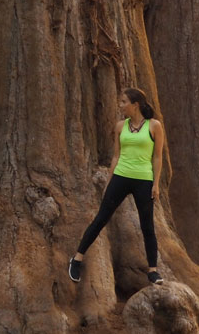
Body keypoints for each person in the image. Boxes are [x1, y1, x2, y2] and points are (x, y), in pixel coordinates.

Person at [68, 87, 166, 285]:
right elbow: (116, 155)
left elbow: (157, 157)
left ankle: (153, 271)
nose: (120, 106)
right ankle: (77, 259)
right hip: (121, 177)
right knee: (101, 219)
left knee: (147, 225)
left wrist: (155, 184)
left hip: (144, 180)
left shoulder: (154, 126)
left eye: (123, 102)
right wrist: (110, 181)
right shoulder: (121, 126)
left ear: (135, 105)